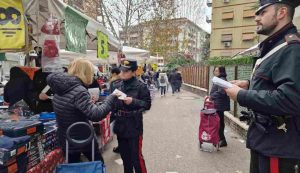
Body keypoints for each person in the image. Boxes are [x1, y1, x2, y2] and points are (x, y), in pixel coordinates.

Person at [224, 0, 300, 172]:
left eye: (262, 12)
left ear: (281, 13)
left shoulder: (292, 48)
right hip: (266, 141)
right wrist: (248, 85)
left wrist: (241, 96)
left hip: (279, 147)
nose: (256, 17)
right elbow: (274, 83)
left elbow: (290, 99)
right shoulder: (275, 46)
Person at [47, 58, 118, 163]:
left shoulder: (60, 87)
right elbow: (96, 115)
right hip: (83, 138)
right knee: (97, 166)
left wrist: (88, 104)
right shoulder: (79, 90)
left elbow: (70, 109)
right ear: (85, 73)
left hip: (66, 137)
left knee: (74, 168)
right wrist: (111, 98)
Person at [113, 58, 151, 173]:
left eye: (126, 71)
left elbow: (147, 104)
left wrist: (133, 101)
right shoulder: (117, 85)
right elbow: (112, 104)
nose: (123, 73)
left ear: (134, 72)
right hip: (120, 125)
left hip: (134, 125)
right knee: (125, 159)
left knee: (136, 158)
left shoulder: (141, 86)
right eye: (122, 70)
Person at [210, 66, 230, 147]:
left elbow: (221, 92)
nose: (215, 72)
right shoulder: (218, 79)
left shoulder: (222, 79)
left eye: (217, 71)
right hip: (218, 104)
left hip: (220, 105)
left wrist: (211, 96)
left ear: (221, 71)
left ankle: (222, 140)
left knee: (219, 122)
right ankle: (220, 138)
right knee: (219, 121)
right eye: (215, 70)